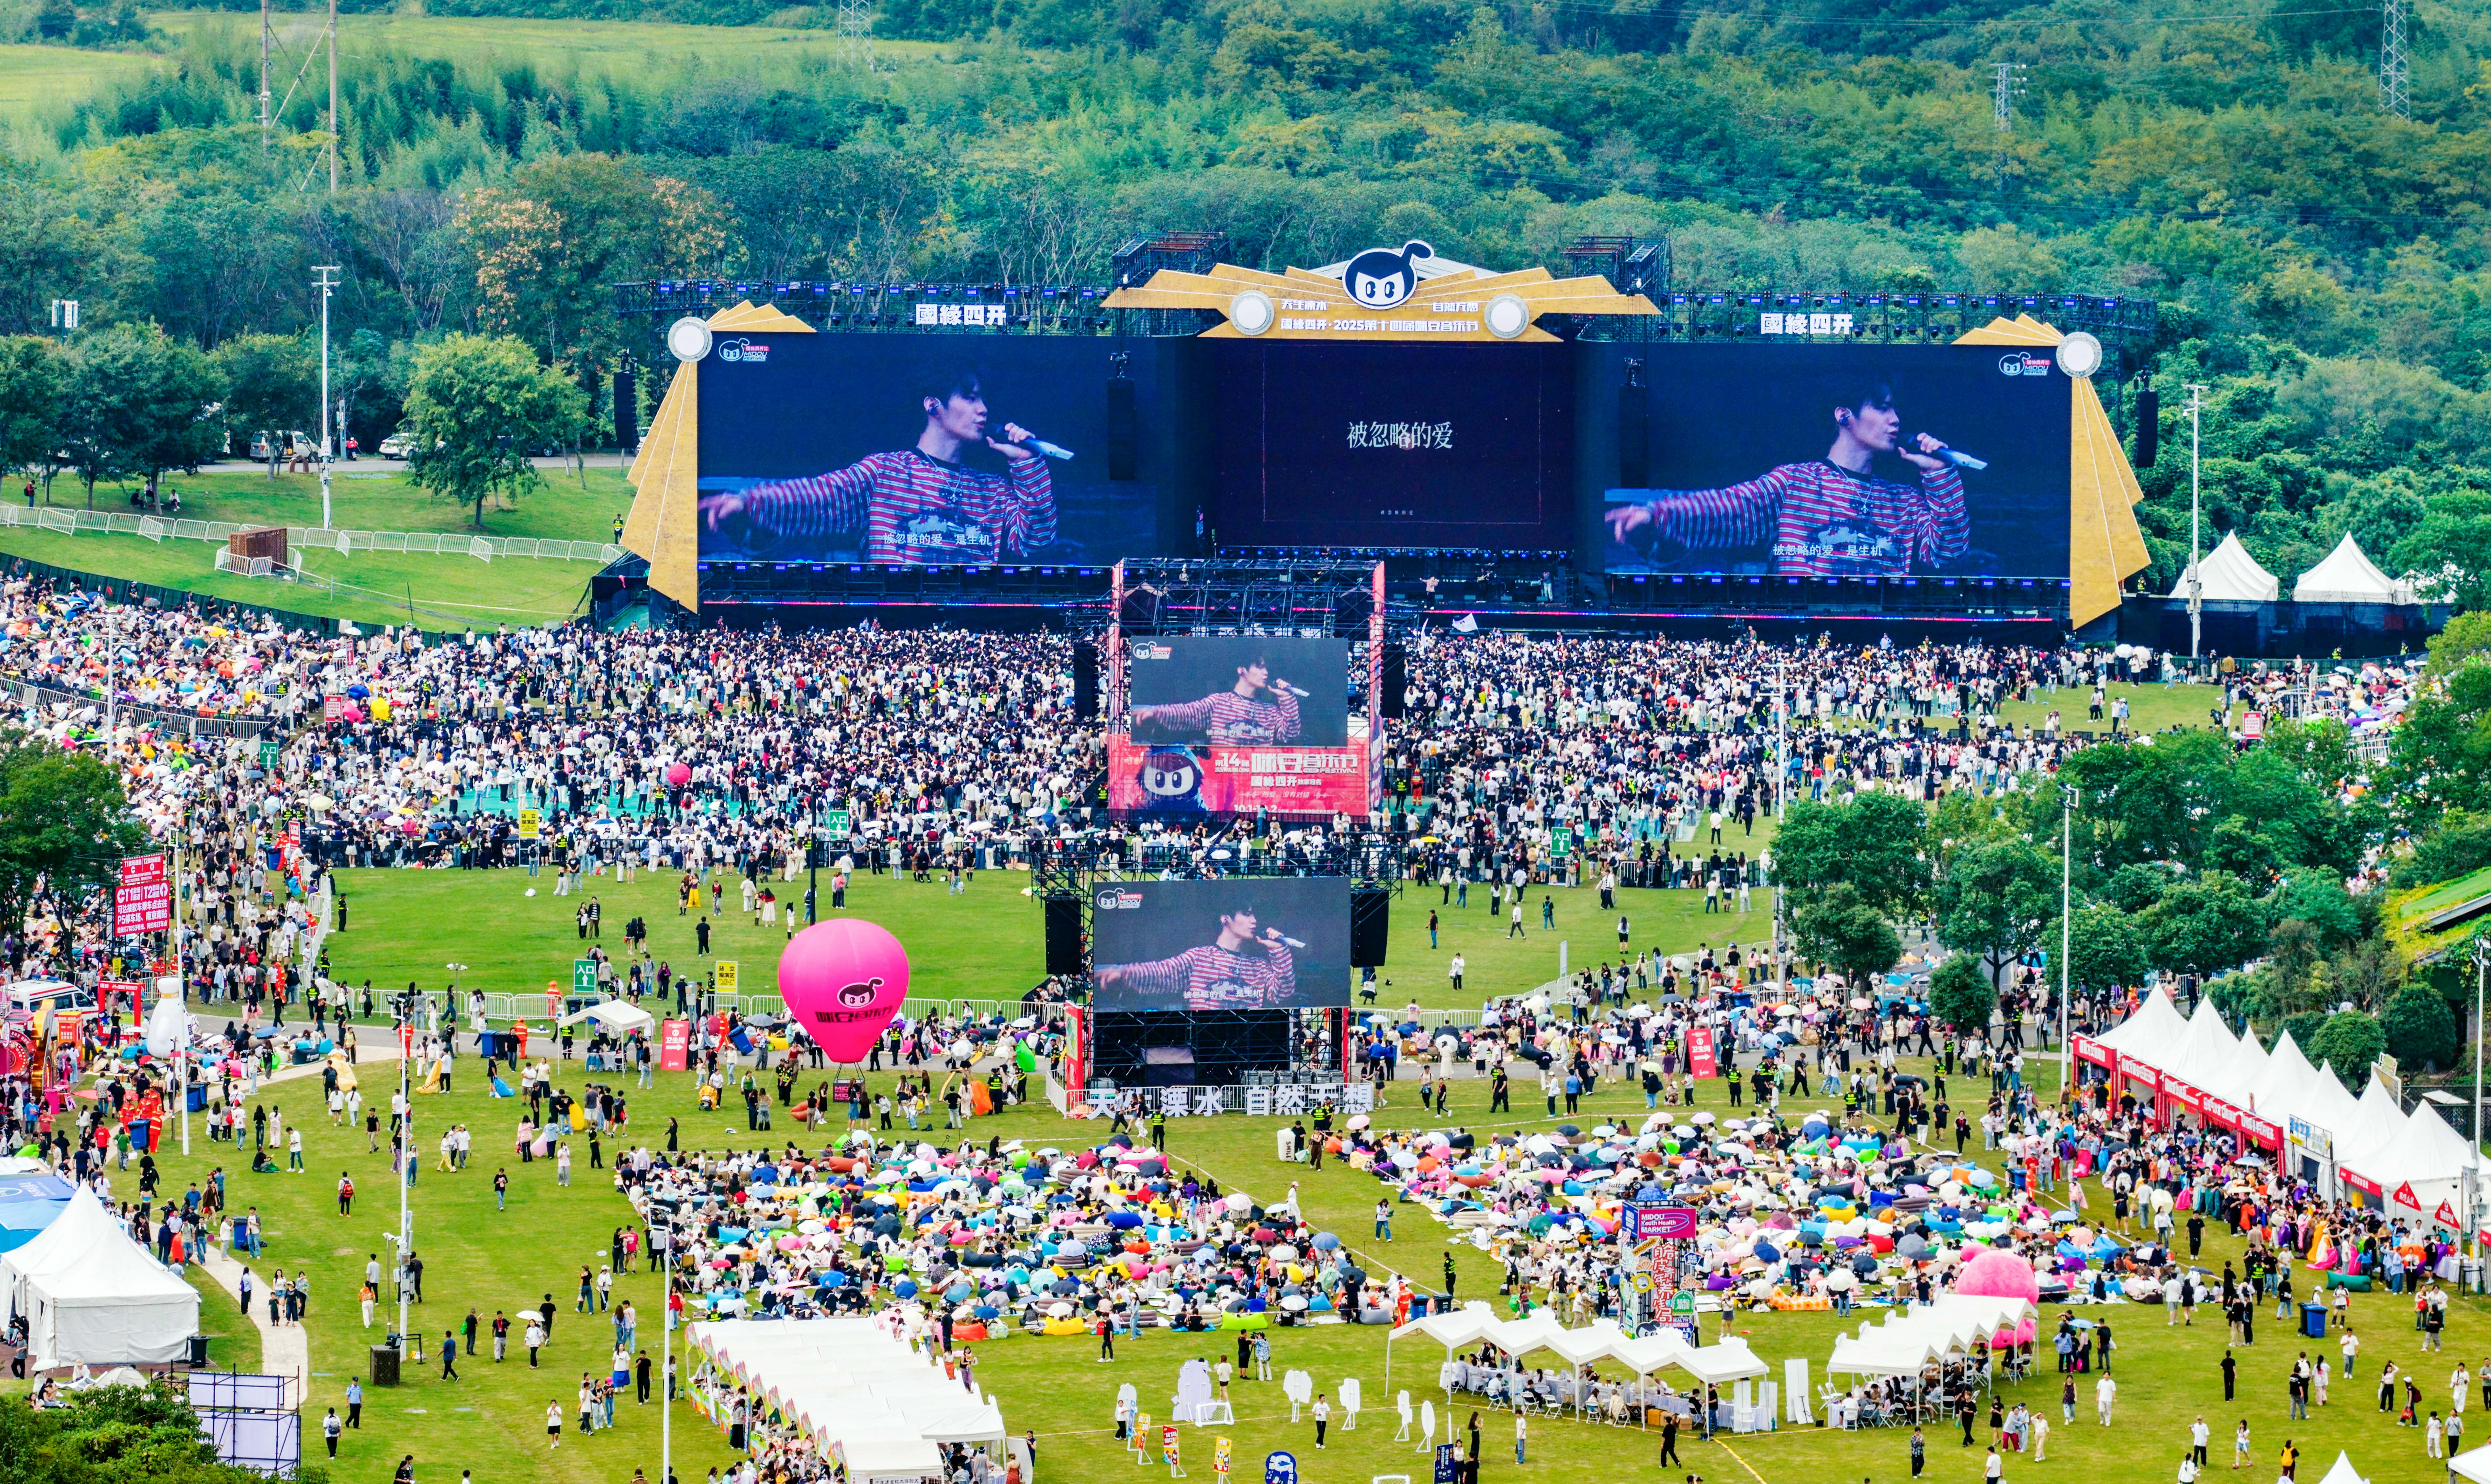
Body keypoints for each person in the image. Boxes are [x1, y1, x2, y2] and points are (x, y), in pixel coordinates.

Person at [1603, 373, 1970, 577]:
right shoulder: (1795, 483)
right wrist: (1656, 513)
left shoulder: (1904, 501)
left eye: (1896, 410)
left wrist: (1940, 475)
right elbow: (1729, 508)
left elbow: (1947, 555)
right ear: (1844, 415)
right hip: (1803, 631)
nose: (1896, 420)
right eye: (1883, 408)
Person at [699, 363, 1054, 564]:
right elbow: (820, 496)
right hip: (895, 624)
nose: (983, 410)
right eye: (970, 398)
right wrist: (749, 501)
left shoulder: (992, 490)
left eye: (984, 400)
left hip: (975, 628)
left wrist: (1027, 464)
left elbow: (1036, 542)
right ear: (933, 405)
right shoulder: (885, 473)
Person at [1094, 899, 1297, 1010]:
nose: (1254, 921)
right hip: (1206, 1043)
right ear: (1225, 919)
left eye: (1254, 914)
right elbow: (1161, 972)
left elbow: (1283, 994)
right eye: (1247, 914)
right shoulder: (1199, 958)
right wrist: (1124, 973)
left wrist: (1278, 950)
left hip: (1246, 1044)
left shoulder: (1258, 965)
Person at [1130, 653, 1306, 745]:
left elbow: (1290, 735)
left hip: (1257, 780)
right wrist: (1157, 712)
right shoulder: (1220, 702)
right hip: (1222, 776)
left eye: (1266, 668)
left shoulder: (1269, 710)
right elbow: (1187, 713)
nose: (1265, 673)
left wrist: (1287, 698)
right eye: (1260, 667)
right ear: (1242, 670)